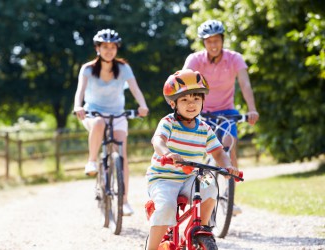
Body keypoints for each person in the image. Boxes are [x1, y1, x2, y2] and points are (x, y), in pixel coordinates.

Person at [145, 69, 238, 250]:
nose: (191, 104)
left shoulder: (204, 128)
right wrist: (167, 153)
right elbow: (157, 140)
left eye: (196, 99)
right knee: (166, 208)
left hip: (190, 177)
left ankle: (198, 230)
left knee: (210, 187)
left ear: (203, 101)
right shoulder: (168, 123)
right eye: (185, 100)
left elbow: (218, 152)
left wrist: (227, 166)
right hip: (163, 178)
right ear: (173, 103)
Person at [182, 19, 259, 215]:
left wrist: (252, 109)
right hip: (202, 112)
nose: (213, 45)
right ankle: (194, 191)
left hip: (226, 111)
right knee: (198, 151)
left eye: (217, 40)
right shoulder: (195, 59)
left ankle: (229, 198)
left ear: (223, 40)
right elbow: (184, 81)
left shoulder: (235, 59)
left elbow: (245, 85)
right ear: (203, 43)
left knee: (229, 144)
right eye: (209, 41)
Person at [73, 29, 149, 216]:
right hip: (93, 113)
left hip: (117, 115)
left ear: (117, 49)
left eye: (113, 47)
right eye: (105, 47)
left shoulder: (123, 68)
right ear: (97, 48)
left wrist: (143, 105)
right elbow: (80, 91)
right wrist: (78, 106)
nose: (109, 50)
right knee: (98, 123)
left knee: (121, 154)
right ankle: (91, 161)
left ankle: (124, 201)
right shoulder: (88, 69)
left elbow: (135, 89)